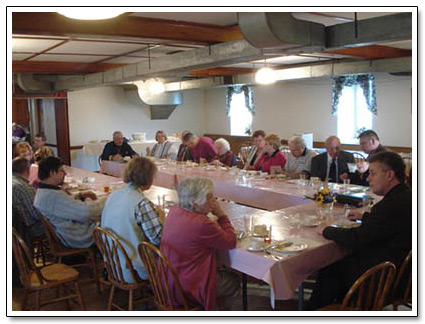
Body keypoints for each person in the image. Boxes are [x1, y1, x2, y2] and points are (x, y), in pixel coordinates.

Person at [308, 151, 412, 310]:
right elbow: (388, 225)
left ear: (390, 175)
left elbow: (357, 238)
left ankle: (318, 312)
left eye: (373, 173)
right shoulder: (406, 195)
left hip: (385, 275)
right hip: (404, 268)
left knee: (330, 266)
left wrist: (326, 230)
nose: (368, 178)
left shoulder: (389, 206)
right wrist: (365, 217)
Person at [160, 177, 239, 310]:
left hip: (167, 280)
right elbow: (231, 241)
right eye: (209, 198)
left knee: (218, 265)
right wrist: (221, 215)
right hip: (188, 287)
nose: (213, 202)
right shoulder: (202, 223)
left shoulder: (175, 210)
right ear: (194, 202)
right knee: (234, 280)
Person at [101, 157, 164, 283]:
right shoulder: (142, 203)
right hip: (134, 268)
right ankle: (172, 295)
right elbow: (158, 239)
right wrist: (162, 218)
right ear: (148, 178)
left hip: (113, 262)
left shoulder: (113, 195)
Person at [33, 157, 106, 248]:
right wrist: (107, 200)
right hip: (77, 236)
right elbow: (87, 212)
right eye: (61, 171)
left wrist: (79, 195)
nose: (65, 173)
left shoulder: (43, 191)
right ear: (52, 173)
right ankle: (115, 257)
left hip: (66, 232)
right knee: (112, 220)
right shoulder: (52, 196)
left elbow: (64, 206)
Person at [12, 157, 45, 240]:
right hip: (30, 228)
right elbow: (36, 214)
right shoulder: (22, 187)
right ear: (28, 169)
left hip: (17, 227)